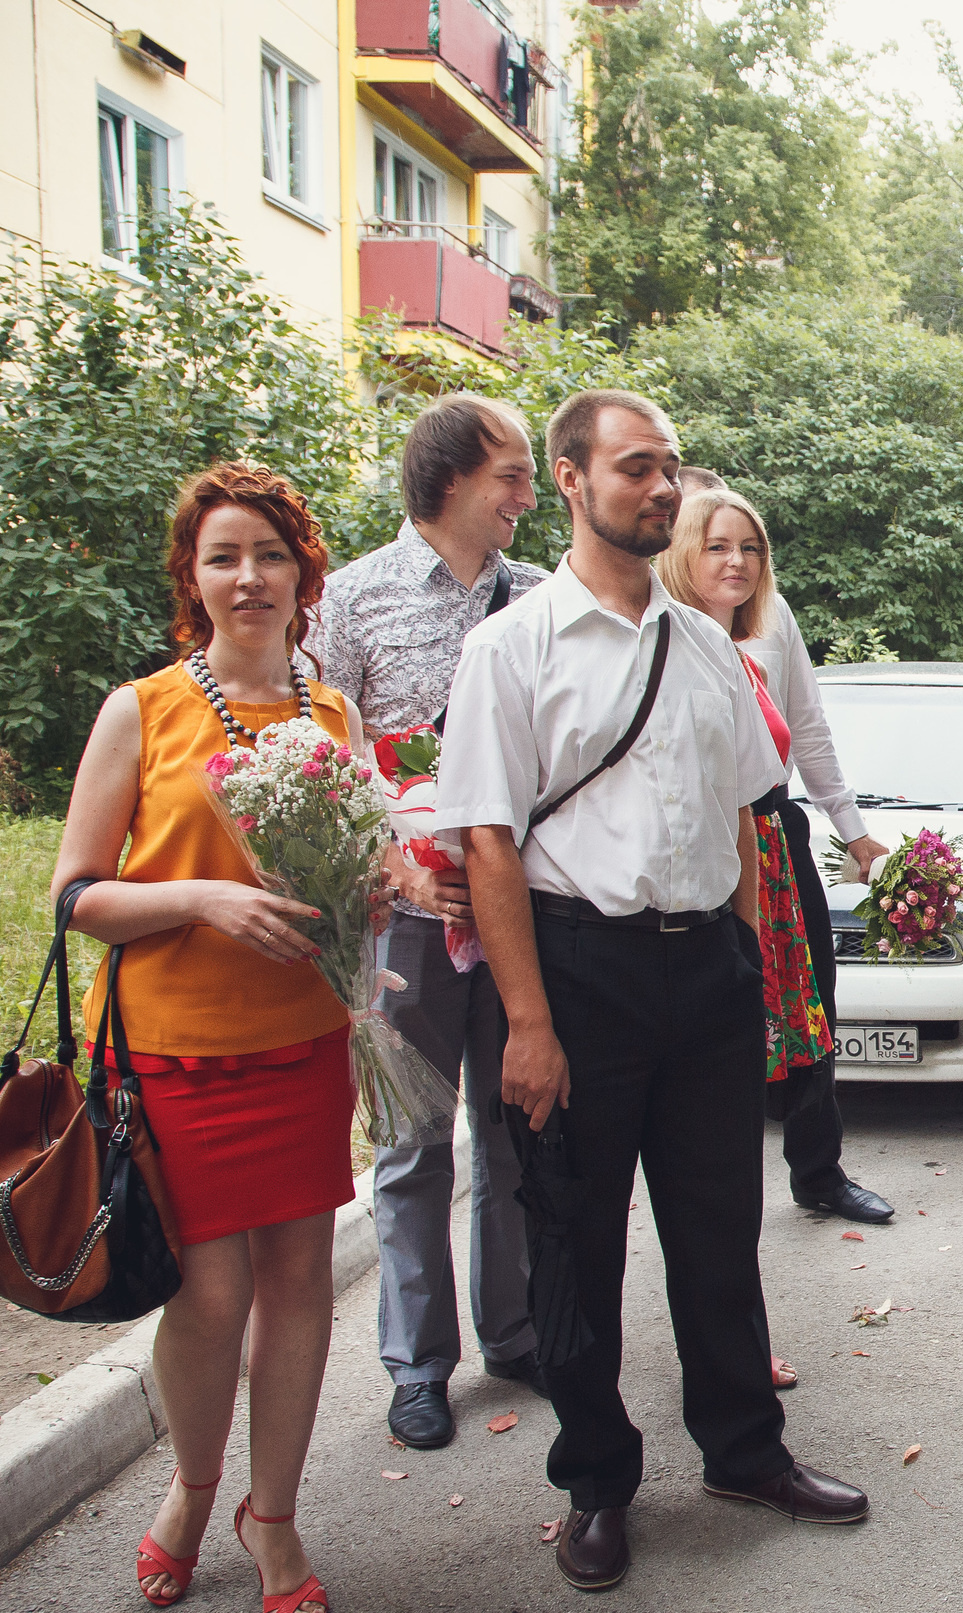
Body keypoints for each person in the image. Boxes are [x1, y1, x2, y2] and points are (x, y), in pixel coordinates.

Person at [432, 390, 870, 1596]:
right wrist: (527, 1021)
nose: (662, 488)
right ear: (568, 481)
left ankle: (744, 1451)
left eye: (669, 467)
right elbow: (486, 846)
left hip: (707, 977)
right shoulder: (508, 649)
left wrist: (747, 968)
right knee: (575, 1236)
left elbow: (741, 812)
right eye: (635, 469)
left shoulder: (707, 646)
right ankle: (597, 1484)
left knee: (719, 1229)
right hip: (578, 975)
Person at [53, 462, 375, 1613]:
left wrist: (383, 892)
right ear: (194, 577)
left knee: (297, 1285)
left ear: (303, 575)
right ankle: (192, 1494)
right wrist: (200, 900)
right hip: (175, 1052)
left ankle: (274, 1514)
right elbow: (77, 895)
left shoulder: (332, 712)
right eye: (224, 556)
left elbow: (353, 876)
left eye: (270, 555)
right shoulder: (141, 710)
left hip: (302, 1047)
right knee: (208, 1289)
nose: (249, 577)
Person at [311, 393, 546, 1452]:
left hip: (521, 913)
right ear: (451, 478)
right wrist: (400, 866)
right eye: (513, 474)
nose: (528, 497)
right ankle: (417, 1364)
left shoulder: (540, 599)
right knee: (413, 1141)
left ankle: (517, 1330)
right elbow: (320, 760)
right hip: (404, 916)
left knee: (512, 1125)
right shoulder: (351, 601)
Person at [665, 469, 895, 1226]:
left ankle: (819, 1172)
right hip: (700, 843)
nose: (736, 562)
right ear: (682, 551)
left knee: (812, 1002)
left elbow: (812, 730)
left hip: (775, 830)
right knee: (723, 1015)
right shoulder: (657, 627)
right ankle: (714, 1188)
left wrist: (855, 831)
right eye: (717, 546)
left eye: (751, 548)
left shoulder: (772, 620)